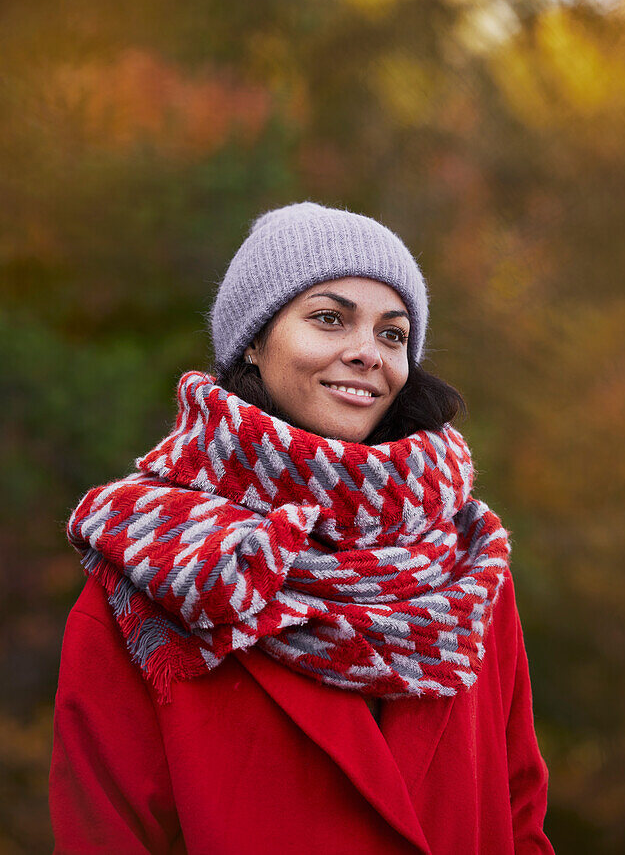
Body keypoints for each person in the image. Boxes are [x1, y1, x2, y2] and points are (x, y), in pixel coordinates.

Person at [49, 201, 554, 854]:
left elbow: (520, 815)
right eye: (328, 319)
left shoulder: (466, 561)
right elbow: (104, 835)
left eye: (392, 334)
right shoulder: (155, 568)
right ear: (254, 342)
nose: (367, 353)